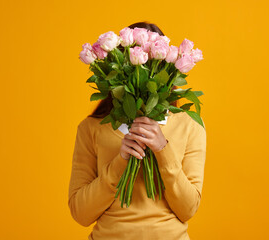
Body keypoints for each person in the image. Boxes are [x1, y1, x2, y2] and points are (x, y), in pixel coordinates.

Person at [68, 21, 207, 240]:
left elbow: (188, 209)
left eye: (154, 62)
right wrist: (119, 162)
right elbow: (81, 213)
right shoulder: (91, 128)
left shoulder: (189, 125)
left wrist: (163, 149)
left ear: (167, 69)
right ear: (119, 67)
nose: (143, 72)